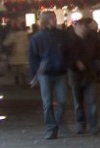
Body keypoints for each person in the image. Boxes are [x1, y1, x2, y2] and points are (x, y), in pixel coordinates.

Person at [28, 11, 70, 140]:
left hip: (60, 71)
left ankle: (57, 124)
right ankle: (51, 128)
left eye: (55, 18)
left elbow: (68, 50)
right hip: (45, 73)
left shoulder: (61, 35)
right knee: (47, 103)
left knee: (62, 101)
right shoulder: (37, 38)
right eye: (53, 18)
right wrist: (35, 74)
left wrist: (66, 62)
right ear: (46, 20)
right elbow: (33, 58)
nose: (55, 20)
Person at [68, 17, 100, 135]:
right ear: (76, 27)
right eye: (82, 26)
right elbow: (66, 55)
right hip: (75, 75)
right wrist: (75, 62)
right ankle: (81, 124)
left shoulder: (93, 39)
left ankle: (93, 125)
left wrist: (96, 64)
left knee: (91, 101)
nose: (84, 28)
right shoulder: (70, 40)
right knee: (78, 103)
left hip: (90, 74)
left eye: (85, 26)